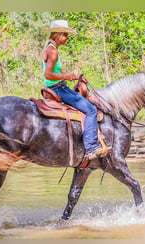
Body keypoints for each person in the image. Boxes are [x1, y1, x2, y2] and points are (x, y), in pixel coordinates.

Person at [42, 20, 107, 160]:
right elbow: (48, 75)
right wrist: (69, 76)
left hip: (58, 86)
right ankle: (91, 148)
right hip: (58, 88)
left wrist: (75, 76)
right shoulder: (53, 51)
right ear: (58, 35)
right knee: (91, 110)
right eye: (65, 35)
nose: (67, 38)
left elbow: (56, 71)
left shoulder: (49, 48)